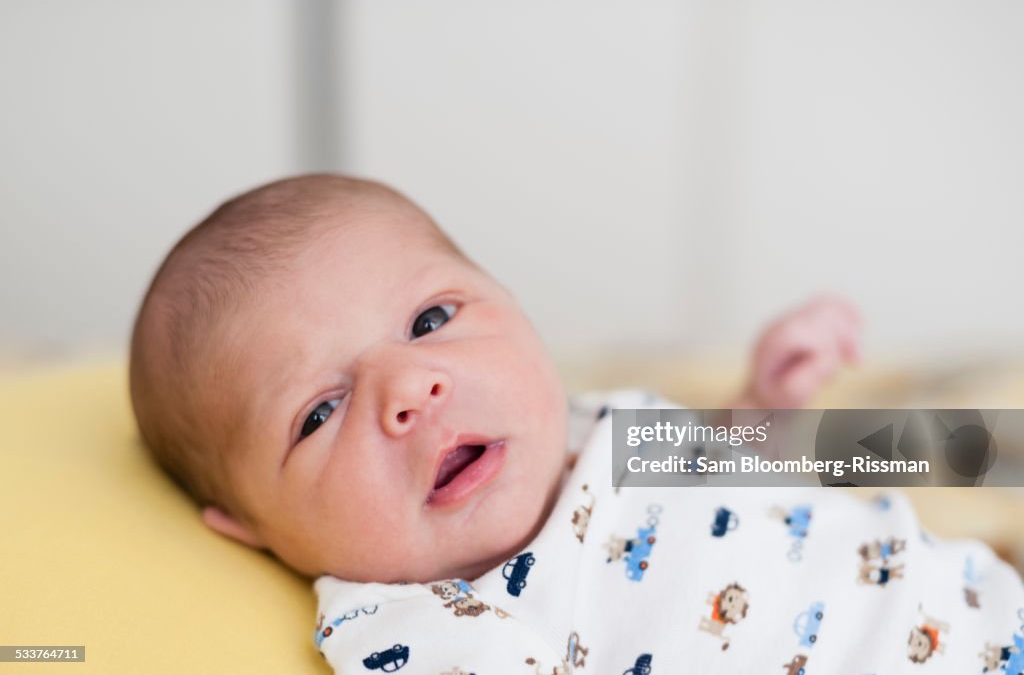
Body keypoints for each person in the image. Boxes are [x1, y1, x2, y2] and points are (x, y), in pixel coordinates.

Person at [130, 174, 1023, 673]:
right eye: (318, 413)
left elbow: (729, 468)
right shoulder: (417, 627)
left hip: (984, 601)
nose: (412, 391)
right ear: (246, 526)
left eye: (433, 321)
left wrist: (766, 401)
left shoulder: (597, 425)